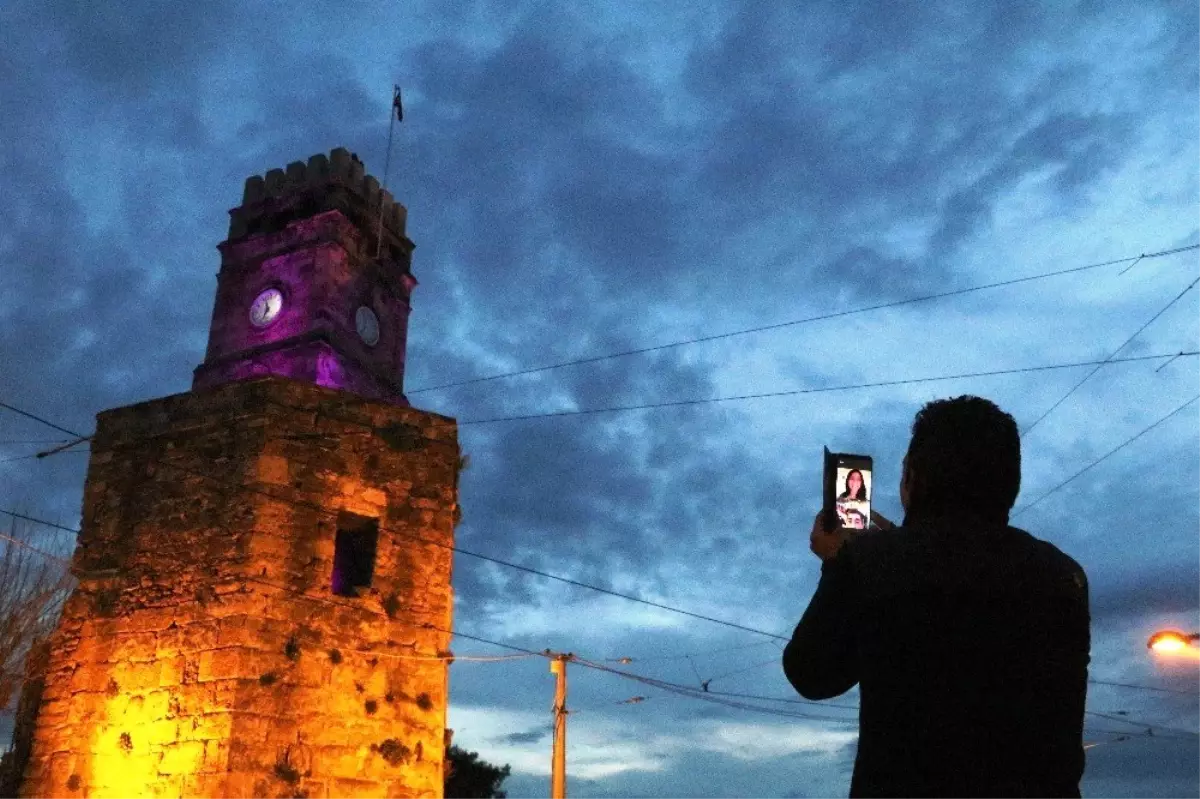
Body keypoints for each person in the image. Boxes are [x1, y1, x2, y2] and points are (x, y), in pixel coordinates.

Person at [783, 396, 1090, 798]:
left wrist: (839, 563)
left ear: (912, 476)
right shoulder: (1064, 575)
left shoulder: (870, 564)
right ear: (1011, 481)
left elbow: (811, 673)